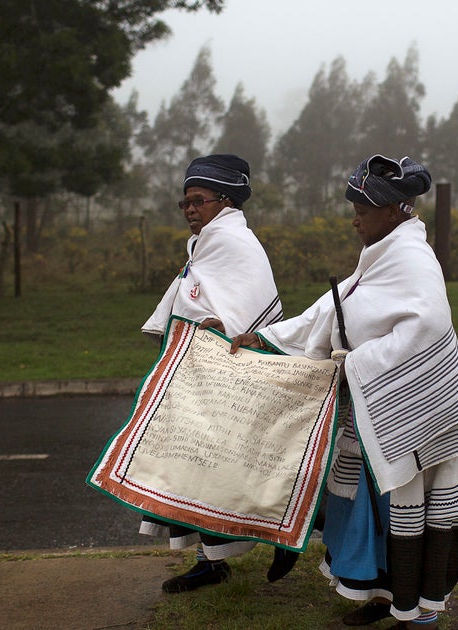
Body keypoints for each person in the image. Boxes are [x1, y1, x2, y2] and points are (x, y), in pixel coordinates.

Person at [231, 154, 458, 629]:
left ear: (393, 211)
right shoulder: (382, 256)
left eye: (362, 211)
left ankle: (420, 610)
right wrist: (268, 338)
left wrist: (356, 364)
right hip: (378, 415)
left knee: (412, 508)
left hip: (413, 417)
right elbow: (333, 309)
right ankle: (386, 595)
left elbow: (429, 325)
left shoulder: (411, 259)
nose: (355, 220)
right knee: (373, 506)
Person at [138, 153, 291, 593]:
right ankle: (211, 560)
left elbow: (247, 309)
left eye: (198, 200)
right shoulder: (207, 241)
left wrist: (231, 329)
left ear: (224, 201)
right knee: (195, 467)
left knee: (235, 467)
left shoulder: (234, 242)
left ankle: (289, 533)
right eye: (184, 202)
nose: (189, 209)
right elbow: (199, 297)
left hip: (232, 373)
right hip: (198, 373)